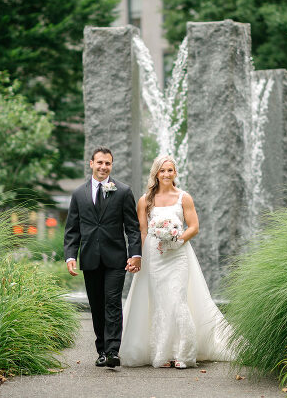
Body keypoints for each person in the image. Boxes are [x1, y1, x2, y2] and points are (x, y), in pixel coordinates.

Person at [119, 155, 234, 368]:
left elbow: (194, 227)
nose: (166, 174)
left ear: (175, 173)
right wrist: (139, 257)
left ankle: (184, 353)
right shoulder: (145, 200)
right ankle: (163, 354)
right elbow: (142, 231)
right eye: (162, 171)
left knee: (178, 300)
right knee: (160, 302)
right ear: (156, 173)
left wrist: (176, 239)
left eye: (170, 170)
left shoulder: (184, 197)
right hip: (155, 256)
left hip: (178, 255)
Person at [64, 147, 142, 368]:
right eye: (99, 163)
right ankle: (101, 351)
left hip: (115, 259)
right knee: (97, 306)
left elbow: (133, 228)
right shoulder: (78, 194)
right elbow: (72, 229)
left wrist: (135, 254)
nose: (103, 167)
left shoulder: (123, 191)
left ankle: (112, 351)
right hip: (89, 259)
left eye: (107, 163)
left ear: (111, 165)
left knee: (112, 303)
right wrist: (70, 255)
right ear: (91, 164)